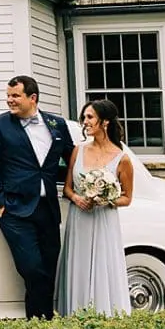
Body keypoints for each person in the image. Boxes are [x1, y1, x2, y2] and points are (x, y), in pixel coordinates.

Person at [0, 75, 75, 320]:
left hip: (48, 208)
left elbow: (73, 158)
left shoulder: (56, 124)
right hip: (14, 209)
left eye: (15, 96)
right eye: (8, 95)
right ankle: (40, 320)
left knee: (50, 265)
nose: (9, 100)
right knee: (32, 268)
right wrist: (0, 204)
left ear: (32, 98)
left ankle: (41, 323)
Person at [59, 99, 133, 316]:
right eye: (84, 117)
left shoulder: (122, 159)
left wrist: (105, 200)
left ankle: (105, 315)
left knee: (103, 267)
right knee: (79, 267)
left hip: (103, 221)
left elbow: (127, 198)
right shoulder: (78, 151)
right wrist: (76, 198)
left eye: (90, 117)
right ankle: (76, 314)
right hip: (79, 218)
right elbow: (67, 188)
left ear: (105, 122)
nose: (85, 122)